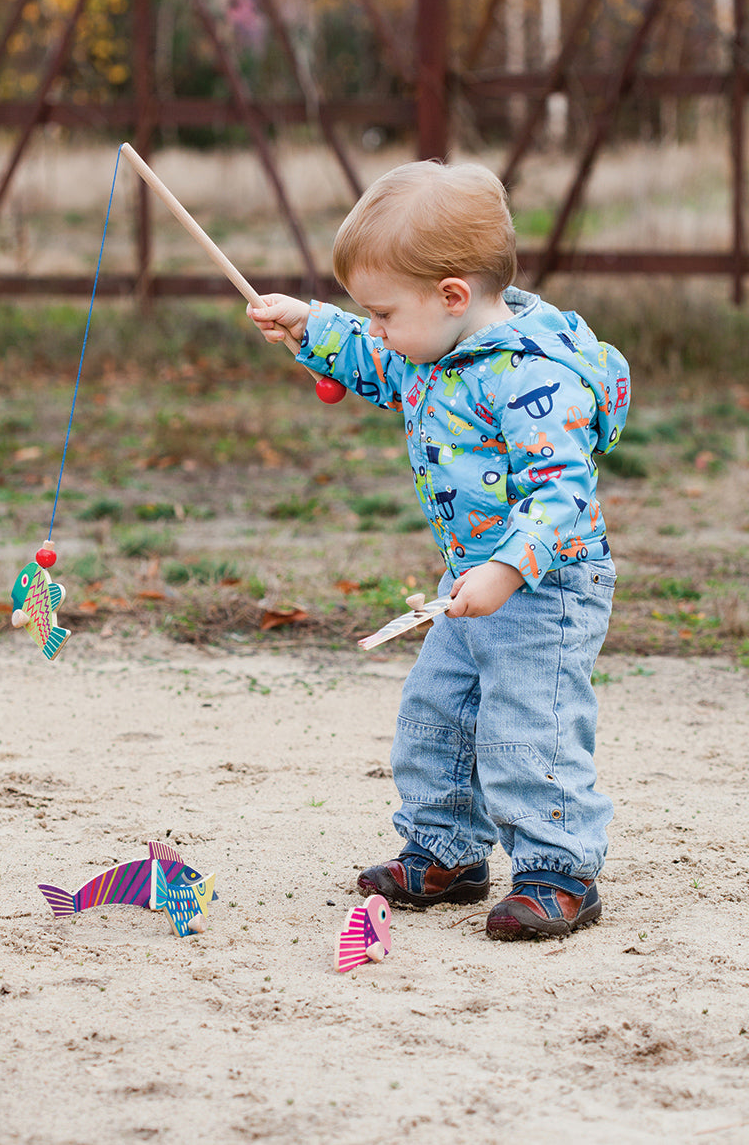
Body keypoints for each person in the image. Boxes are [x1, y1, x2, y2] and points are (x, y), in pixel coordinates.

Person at [247, 160, 630, 940]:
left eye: (381, 311)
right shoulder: (434, 353)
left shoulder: (534, 380)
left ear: (452, 295)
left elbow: (562, 494)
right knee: (438, 714)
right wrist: (311, 326)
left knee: (530, 725)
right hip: (471, 581)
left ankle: (559, 869)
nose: (376, 328)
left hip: (545, 585)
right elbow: (377, 361)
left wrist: (504, 569)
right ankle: (447, 853)